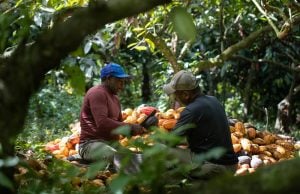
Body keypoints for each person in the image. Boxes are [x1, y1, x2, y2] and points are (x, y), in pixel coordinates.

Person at [162, 70, 238, 180]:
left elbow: (170, 141)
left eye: (175, 95)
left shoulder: (191, 110)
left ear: (185, 94)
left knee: (161, 149)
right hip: (232, 166)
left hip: (216, 168)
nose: (175, 98)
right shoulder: (214, 100)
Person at [79, 62, 147, 166]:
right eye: (119, 81)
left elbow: (118, 126)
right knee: (119, 158)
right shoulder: (97, 93)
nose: (122, 86)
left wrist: (138, 129)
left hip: (112, 144)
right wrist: (130, 127)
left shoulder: (115, 99)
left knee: (138, 157)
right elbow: (102, 123)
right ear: (109, 78)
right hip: (91, 144)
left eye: (123, 82)